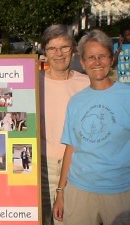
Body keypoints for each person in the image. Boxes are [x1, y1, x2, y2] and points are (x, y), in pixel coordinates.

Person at [53, 29, 130, 225]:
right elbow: (71, 147)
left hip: (121, 192)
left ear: (112, 59)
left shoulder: (126, 96)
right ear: (83, 62)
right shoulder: (76, 102)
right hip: (80, 191)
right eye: (91, 57)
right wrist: (61, 191)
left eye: (102, 56)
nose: (97, 62)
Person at [39, 24, 90, 225]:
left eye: (65, 47)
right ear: (44, 52)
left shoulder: (86, 84)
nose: (59, 54)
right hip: (42, 166)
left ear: (74, 49)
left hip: (77, 167)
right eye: (52, 48)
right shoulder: (33, 83)